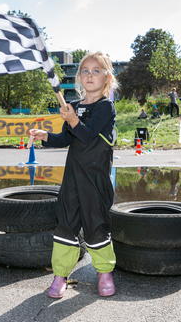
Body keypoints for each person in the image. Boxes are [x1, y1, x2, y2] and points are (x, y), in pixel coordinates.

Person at [28, 51, 117, 299]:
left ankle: (104, 272)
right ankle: (60, 275)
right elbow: (68, 138)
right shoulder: (74, 107)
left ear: (107, 78)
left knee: (96, 225)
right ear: (78, 77)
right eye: (85, 71)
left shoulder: (105, 107)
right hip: (72, 181)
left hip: (96, 181)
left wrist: (73, 119)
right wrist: (45, 136)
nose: (90, 75)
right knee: (65, 225)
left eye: (96, 71)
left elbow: (87, 136)